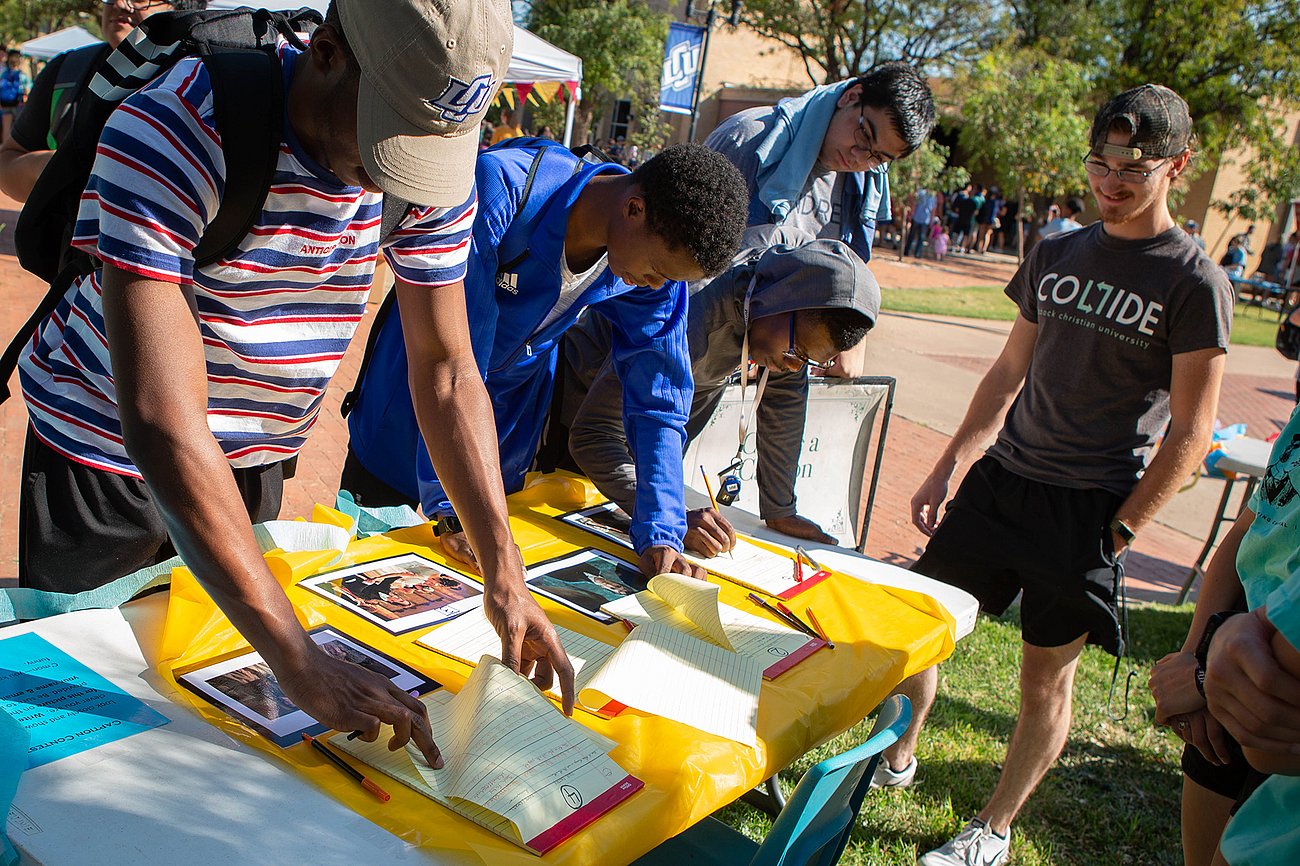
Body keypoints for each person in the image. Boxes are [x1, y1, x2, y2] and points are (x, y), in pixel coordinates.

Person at [15, 0, 574, 768]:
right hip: (106, 453)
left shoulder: (427, 164)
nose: (394, 172)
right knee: (93, 721)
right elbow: (165, 422)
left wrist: (506, 573)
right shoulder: (180, 125)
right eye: (385, 135)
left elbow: (446, 371)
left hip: (254, 453)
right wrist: (298, 659)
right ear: (329, 52)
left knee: (223, 715)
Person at [892, 84, 1233, 866]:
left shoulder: (1193, 282)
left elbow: (1193, 431)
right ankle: (899, 756)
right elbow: (1008, 371)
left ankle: (994, 831)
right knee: (921, 635)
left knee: (1043, 681)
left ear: (1177, 165)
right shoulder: (1056, 250)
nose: (1110, 183)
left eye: (1132, 169)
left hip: (1088, 509)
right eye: (1099, 165)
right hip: (1002, 481)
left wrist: (1119, 532)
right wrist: (950, 464)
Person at [341, 141, 750, 579]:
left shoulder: (655, 273)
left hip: (504, 426)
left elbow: (659, 400)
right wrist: (457, 510)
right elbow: (452, 371)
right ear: (634, 209)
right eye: (657, 271)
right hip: (410, 402)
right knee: (369, 578)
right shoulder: (501, 189)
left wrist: (662, 531)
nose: (656, 286)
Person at [554, 227, 878, 551]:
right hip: (579, 404)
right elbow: (594, 435)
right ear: (776, 300)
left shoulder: (789, 288)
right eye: (796, 354)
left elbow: (784, 397)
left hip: (640, 437)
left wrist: (780, 508)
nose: (794, 367)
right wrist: (669, 517)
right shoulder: (691, 314)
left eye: (807, 361)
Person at [1151, 406, 1300, 866]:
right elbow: (1245, 532)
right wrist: (1196, 657)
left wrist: (1205, 677)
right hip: (1232, 651)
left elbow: (1269, 740)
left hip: (1268, 663)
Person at [703, 61, 935, 263]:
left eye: (878, 157)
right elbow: (685, 251)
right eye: (864, 134)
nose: (860, 156)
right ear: (851, 96)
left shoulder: (866, 187)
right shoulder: (747, 138)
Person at [0, 1, 207, 202]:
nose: (119, 4)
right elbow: (7, 166)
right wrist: (55, 167)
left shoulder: (206, 81)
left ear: (181, 7)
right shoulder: (66, 71)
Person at [0, 47, 31, 142]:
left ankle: (4, 151)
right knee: (18, 129)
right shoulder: (22, 75)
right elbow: (28, 89)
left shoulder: (4, 73)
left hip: (5, 104)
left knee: (6, 128)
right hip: (18, 104)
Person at [905, 186, 939, 258]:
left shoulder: (925, 194)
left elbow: (933, 209)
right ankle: (914, 253)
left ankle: (910, 252)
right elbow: (933, 209)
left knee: (916, 236)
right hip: (921, 218)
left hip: (921, 218)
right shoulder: (924, 194)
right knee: (918, 236)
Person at [974, 187, 1003, 254]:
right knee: (986, 235)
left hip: (985, 219)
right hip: (990, 220)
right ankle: (983, 249)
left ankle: (980, 248)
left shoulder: (987, 202)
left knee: (982, 234)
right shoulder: (996, 202)